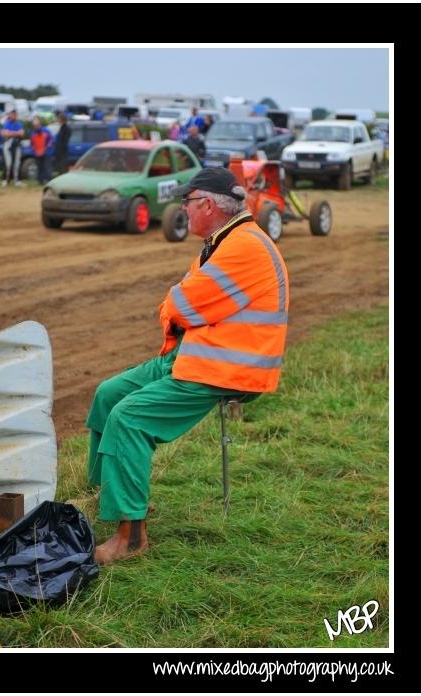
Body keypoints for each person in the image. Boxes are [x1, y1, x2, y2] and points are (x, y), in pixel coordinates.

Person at [85, 167, 290, 564]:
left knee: (129, 419)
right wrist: (179, 307)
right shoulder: (220, 242)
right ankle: (111, 498)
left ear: (208, 205)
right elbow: (182, 305)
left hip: (225, 367)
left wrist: (178, 306)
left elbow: (179, 305)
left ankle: (130, 538)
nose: (183, 209)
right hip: (197, 353)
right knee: (108, 395)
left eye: (187, 202)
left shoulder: (243, 247)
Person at [0, 109, 25, 187]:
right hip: (7, 145)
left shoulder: (19, 124)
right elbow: (4, 133)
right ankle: (5, 180)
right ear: (9, 115)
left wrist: (10, 133)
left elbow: (21, 133)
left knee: (17, 163)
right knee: (8, 163)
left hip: (17, 145)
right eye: (12, 114)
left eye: (15, 114)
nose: (14, 116)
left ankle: (17, 180)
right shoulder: (6, 123)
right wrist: (16, 133)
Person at [29, 116, 54, 185]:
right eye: (34, 126)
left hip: (47, 153)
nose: (36, 127)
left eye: (37, 125)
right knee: (39, 167)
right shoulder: (32, 133)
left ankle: (49, 181)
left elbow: (51, 140)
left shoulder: (46, 131)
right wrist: (33, 150)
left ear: (40, 124)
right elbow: (31, 144)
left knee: (47, 167)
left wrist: (48, 145)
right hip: (37, 153)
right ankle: (40, 181)